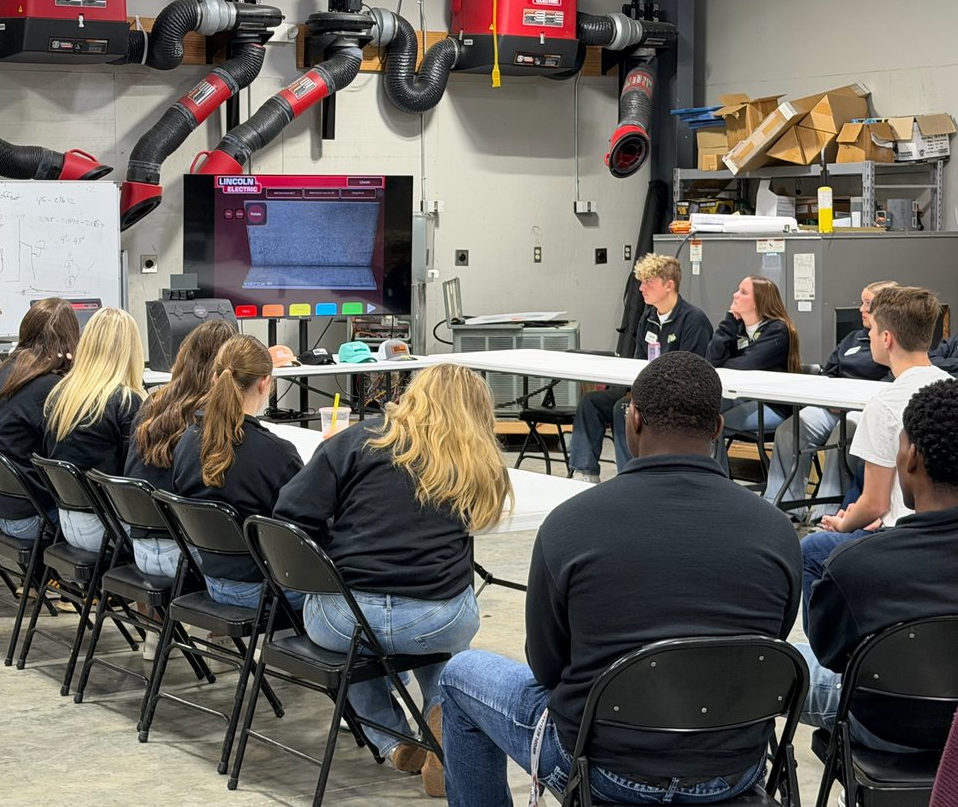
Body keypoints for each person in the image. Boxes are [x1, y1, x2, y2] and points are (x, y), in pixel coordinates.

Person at [437, 352, 801, 806]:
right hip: (731, 770)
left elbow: (547, 667)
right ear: (717, 430)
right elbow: (766, 650)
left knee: (460, 674)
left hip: (602, 769)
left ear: (632, 421)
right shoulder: (777, 530)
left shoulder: (570, 524)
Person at [274, 363, 512, 789]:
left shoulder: (354, 441)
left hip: (346, 616)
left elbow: (290, 516)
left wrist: (339, 542)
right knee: (450, 630)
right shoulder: (476, 461)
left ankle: (391, 740)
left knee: (354, 646)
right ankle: (443, 722)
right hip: (433, 618)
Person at [798, 378, 958, 752]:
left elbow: (832, 657)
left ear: (912, 458)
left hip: (885, 730)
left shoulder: (854, 567)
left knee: (773, 663)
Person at [800, 286, 951, 621]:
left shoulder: (883, 405)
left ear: (886, 339)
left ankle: (829, 666)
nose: (866, 337)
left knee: (811, 551)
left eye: (870, 331)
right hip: (943, 531)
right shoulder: (948, 387)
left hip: (905, 536)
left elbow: (875, 503)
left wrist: (843, 523)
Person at [171, 334, 303, 609]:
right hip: (265, 588)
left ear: (215, 379)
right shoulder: (277, 454)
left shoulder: (186, 442)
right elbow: (302, 532)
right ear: (265, 383)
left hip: (211, 577)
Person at [568, 253, 712, 483]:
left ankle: (631, 477)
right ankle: (585, 474)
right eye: (641, 281)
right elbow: (639, 359)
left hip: (677, 396)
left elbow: (691, 371)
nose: (642, 288)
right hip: (645, 389)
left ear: (669, 285)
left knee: (624, 408)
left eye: (648, 282)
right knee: (591, 402)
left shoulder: (693, 320)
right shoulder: (648, 317)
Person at [762, 281, 896, 513]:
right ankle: (781, 505)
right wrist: (832, 396)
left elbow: (891, 381)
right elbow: (830, 370)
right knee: (789, 430)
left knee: (841, 436)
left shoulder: (891, 340)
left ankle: (827, 510)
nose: (861, 309)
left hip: (864, 408)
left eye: (867, 304)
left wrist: (849, 397)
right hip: (831, 406)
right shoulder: (853, 338)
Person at [125, 319, 237, 581]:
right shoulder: (212, 420)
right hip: (185, 553)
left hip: (140, 546)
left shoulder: (153, 402)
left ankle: (156, 620)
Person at [43, 307, 145, 551]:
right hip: (107, 529)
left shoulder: (60, 395)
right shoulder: (126, 402)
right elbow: (134, 478)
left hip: (68, 522)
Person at [0, 298, 81, 541]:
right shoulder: (52, 389)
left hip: (3, 507)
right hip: (35, 517)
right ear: (71, 338)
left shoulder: (1, 373)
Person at [706, 275, 800, 474]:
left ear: (760, 301)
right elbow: (711, 361)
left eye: (743, 292)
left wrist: (725, 363)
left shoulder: (778, 330)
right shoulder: (737, 327)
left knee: (711, 423)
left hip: (772, 405)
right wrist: (728, 323)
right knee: (699, 411)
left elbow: (748, 366)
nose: (735, 295)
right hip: (741, 398)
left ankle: (718, 483)